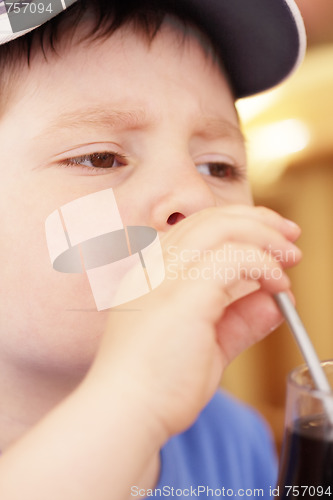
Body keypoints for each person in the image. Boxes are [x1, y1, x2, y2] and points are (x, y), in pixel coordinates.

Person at [0, 1, 305, 499]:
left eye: (218, 167)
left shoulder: (235, 442)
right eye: (101, 157)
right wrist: (131, 401)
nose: (196, 196)